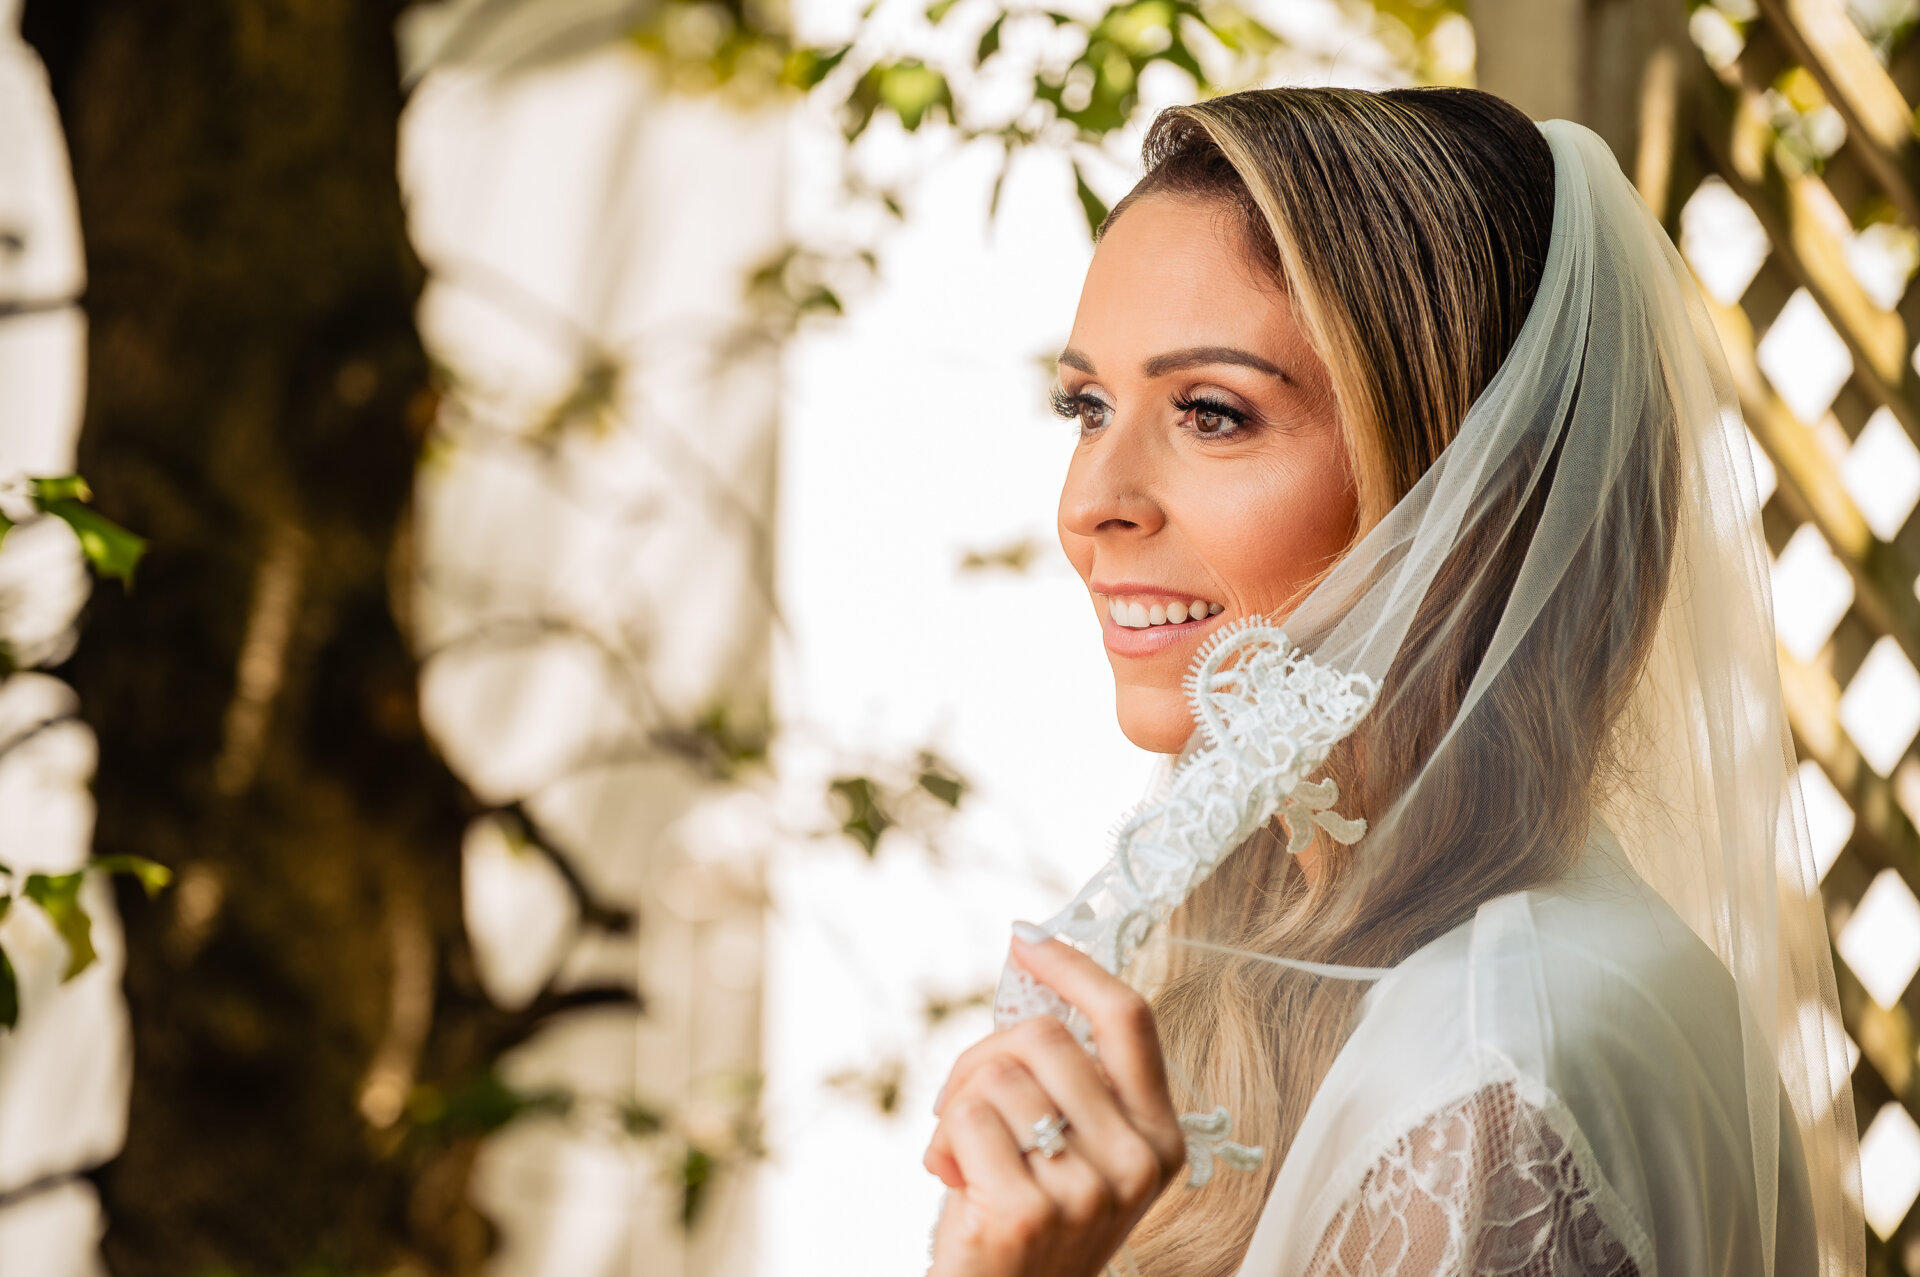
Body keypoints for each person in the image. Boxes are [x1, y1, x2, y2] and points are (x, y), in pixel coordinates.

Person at [919, 87, 1866, 1277]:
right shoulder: (1430, 962)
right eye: (1087, 406)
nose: (1089, 504)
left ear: (1458, 483)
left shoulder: (1487, 1070)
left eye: (1212, 413)